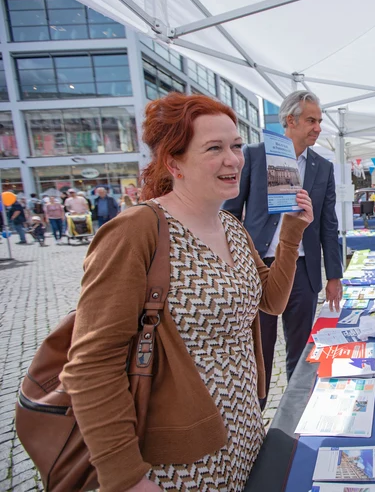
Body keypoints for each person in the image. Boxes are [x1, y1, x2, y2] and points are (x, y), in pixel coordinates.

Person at [60, 93, 313, 491]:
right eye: (214, 148)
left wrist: (293, 231)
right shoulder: (137, 230)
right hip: (178, 458)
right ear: (173, 162)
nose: (233, 159)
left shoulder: (232, 227)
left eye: (235, 146)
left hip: (244, 434)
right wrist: (126, 477)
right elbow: (91, 365)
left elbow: (271, 301)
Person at [223, 90, 343, 408]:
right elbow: (230, 214)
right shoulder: (253, 155)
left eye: (319, 121)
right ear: (290, 120)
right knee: (259, 349)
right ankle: (256, 414)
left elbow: (328, 225)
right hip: (258, 266)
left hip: (302, 271)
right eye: (311, 120)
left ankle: (298, 413)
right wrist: (231, 263)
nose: (318, 127)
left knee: (302, 349)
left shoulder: (323, 167)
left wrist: (334, 276)